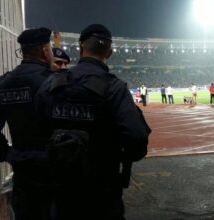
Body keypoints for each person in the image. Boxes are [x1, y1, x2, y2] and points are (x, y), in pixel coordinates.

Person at [35, 24, 151, 220]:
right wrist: (123, 157)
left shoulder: (53, 83)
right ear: (110, 53)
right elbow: (136, 137)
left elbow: (36, 124)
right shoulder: (114, 87)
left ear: (80, 48)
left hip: (62, 187)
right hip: (102, 188)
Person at [0, 27, 55, 220]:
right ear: (44, 50)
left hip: (22, 171)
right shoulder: (53, 81)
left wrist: (7, 154)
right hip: (53, 172)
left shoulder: (5, 83)